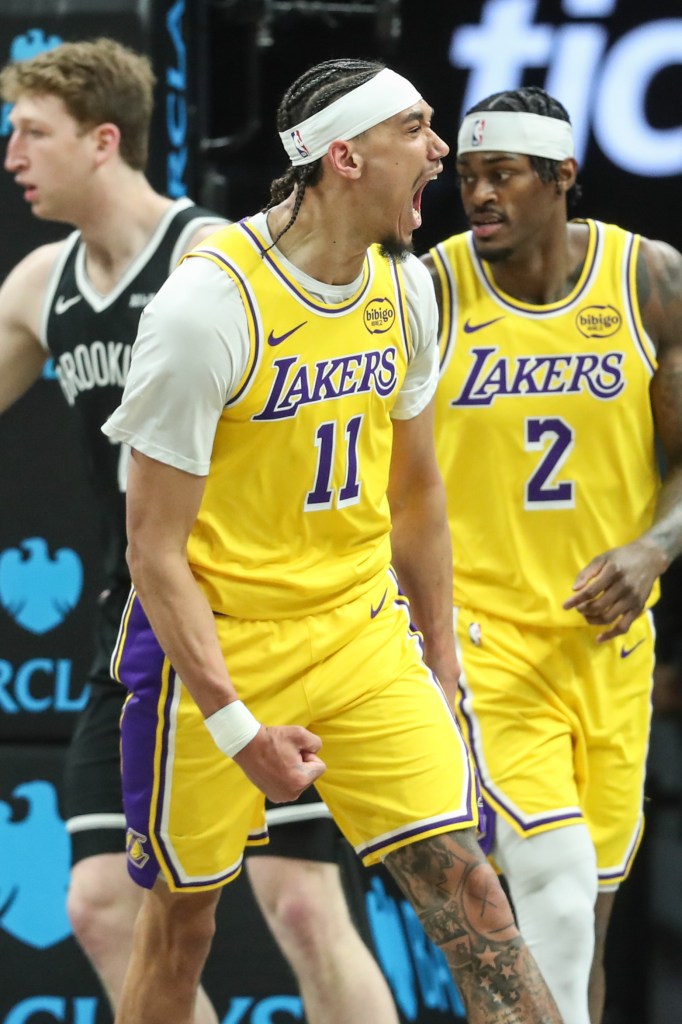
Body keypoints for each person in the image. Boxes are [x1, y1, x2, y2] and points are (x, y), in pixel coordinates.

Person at [102, 57, 564, 1024]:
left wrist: (440, 664)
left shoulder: (407, 290)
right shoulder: (207, 309)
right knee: (181, 927)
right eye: (418, 130)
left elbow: (417, 497)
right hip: (223, 643)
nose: (444, 151)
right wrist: (238, 727)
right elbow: (152, 550)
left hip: (359, 633)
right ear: (345, 157)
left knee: (477, 904)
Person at [0, 37, 407, 1024]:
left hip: (262, 621)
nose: (13, 154)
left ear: (103, 141)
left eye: (31, 132)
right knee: (101, 902)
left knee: (302, 904)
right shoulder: (37, 286)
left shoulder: (215, 259)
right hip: (134, 629)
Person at [423, 86, 682, 1024]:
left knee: (587, 928)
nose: (480, 194)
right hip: (485, 644)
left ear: (563, 177)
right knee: (561, 895)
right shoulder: (432, 288)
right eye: (467, 177)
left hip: (609, 650)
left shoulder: (648, 280)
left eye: (503, 175)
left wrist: (654, 547)